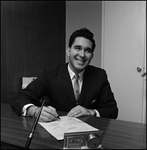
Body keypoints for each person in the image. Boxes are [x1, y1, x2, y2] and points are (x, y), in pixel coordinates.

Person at [11, 28, 118, 122]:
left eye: (87, 51)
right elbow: (19, 97)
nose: (82, 55)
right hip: (57, 132)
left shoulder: (99, 75)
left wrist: (91, 112)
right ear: (68, 51)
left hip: (89, 134)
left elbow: (112, 110)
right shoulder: (51, 74)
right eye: (77, 48)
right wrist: (34, 111)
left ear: (91, 56)